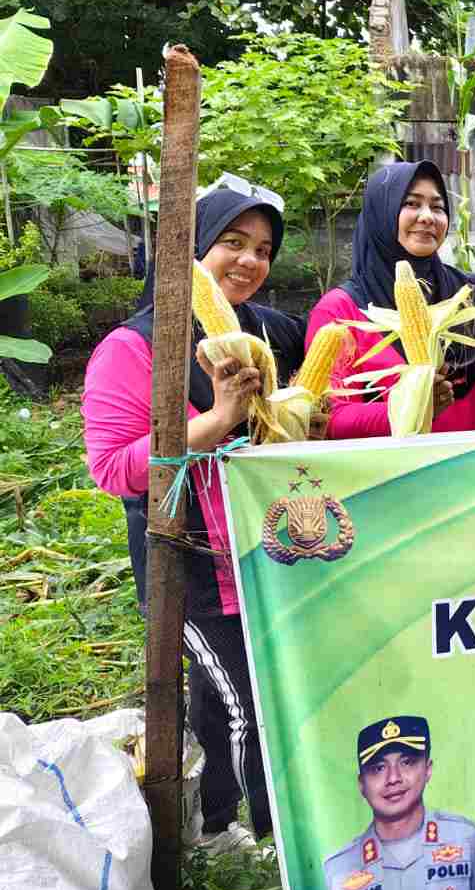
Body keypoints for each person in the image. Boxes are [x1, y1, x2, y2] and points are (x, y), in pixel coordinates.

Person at [83, 178, 310, 853]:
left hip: (268, 550)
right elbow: (113, 468)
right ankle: (279, 839)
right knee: (247, 704)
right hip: (191, 564)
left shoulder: (263, 332)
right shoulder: (134, 347)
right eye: (231, 243)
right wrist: (212, 422)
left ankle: (214, 823)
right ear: (191, 249)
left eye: (263, 249)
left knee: (226, 697)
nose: (248, 261)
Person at [308, 162, 475, 437]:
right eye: (411, 203)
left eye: (437, 207)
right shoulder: (340, 309)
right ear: (381, 213)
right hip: (399, 472)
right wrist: (411, 407)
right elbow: (331, 418)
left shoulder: (472, 290)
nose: (427, 217)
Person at [323, 716, 475, 890]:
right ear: (362, 784)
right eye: (378, 768)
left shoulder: (466, 840)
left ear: (427, 769)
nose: (393, 778)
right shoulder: (336, 871)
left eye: (407, 762)